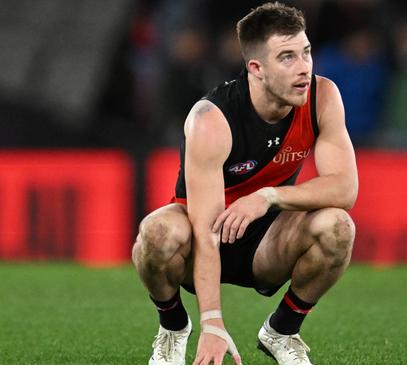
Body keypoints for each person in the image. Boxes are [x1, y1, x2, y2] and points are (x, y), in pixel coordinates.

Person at [131, 3, 358, 365]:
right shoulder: (211, 119)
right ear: (256, 68)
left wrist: (266, 197)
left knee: (338, 227)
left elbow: (345, 189)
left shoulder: (322, 97)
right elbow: (205, 230)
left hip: (266, 240)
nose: (303, 67)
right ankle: (173, 326)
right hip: (200, 236)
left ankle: (282, 331)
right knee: (155, 234)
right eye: (287, 57)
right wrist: (213, 324)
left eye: (306, 52)